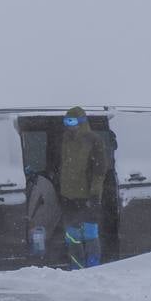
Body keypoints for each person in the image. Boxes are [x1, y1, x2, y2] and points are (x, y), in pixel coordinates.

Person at [54, 106, 109, 267]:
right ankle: (77, 267)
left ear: (82, 122)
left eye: (72, 121)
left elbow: (99, 171)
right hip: (69, 196)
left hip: (88, 196)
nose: (69, 125)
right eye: (66, 121)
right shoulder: (65, 139)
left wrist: (94, 195)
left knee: (90, 233)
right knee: (72, 235)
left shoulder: (93, 140)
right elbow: (64, 166)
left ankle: (93, 268)